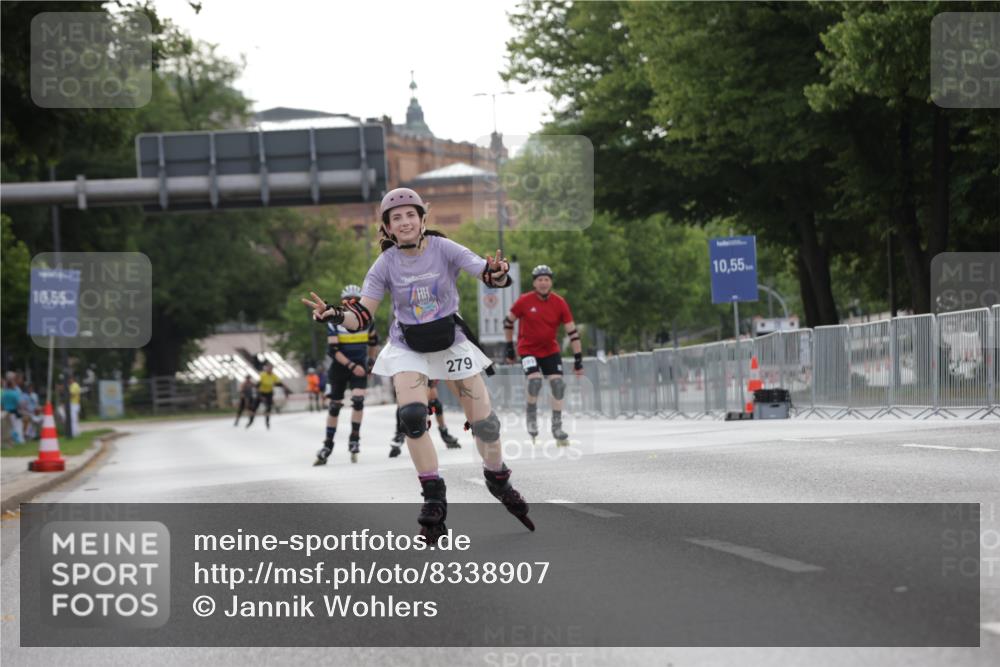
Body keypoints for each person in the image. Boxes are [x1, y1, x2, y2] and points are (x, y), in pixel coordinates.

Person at [302, 187, 534, 541]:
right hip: (409, 346)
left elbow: (488, 274)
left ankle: (497, 477)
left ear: (423, 219)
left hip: (451, 343)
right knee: (411, 417)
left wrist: (498, 273)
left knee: (486, 425)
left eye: (411, 215)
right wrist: (335, 314)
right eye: (397, 218)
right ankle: (433, 497)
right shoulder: (385, 264)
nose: (405, 222)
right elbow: (362, 316)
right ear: (388, 228)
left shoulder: (444, 248)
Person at [504, 264, 584, 445]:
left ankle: (557, 426)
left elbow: (572, 332)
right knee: (535, 381)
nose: (543, 283)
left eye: (547, 279)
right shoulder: (524, 301)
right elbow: (508, 322)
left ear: (551, 282)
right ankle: (531, 418)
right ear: (534, 283)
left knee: (558, 384)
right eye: (540, 279)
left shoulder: (559, 302)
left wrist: (578, 360)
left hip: (550, 350)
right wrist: (509, 347)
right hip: (528, 349)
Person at [314, 284, 380, 466]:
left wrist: (371, 361)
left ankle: (354, 439)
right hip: (341, 367)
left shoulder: (368, 320)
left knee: (358, 401)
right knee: (335, 406)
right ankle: (328, 444)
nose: (353, 303)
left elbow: (374, 342)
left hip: (359, 366)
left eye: (356, 300)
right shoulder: (336, 321)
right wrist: (352, 365)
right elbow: (334, 350)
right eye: (349, 300)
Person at [389, 379, 461, 458]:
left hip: (425, 374)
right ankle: (400, 433)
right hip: (407, 374)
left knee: (434, 403)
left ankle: (444, 431)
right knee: (404, 406)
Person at [245, 362, 289, 430]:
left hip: (269, 393)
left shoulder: (274, 376)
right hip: (261, 392)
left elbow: (279, 383)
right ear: (266, 369)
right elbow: (258, 385)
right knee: (254, 408)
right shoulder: (263, 375)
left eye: (271, 369)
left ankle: (267, 422)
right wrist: (259, 394)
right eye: (268, 368)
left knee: (268, 408)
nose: (269, 370)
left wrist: (285, 388)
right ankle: (251, 421)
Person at [1, 376, 23, 445]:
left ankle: (10, 441)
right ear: (12, 385)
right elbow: (19, 403)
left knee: (9, 428)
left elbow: (1, 404)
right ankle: (19, 440)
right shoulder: (15, 393)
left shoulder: (4, 394)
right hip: (14, 412)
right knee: (17, 426)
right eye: (13, 384)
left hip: (6, 413)